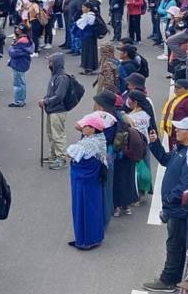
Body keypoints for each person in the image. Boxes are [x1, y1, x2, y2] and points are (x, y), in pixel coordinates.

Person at [142, 117, 188, 293]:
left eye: (180, 129)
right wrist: (155, 143)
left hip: (180, 210)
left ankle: (168, 281)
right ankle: (176, 278)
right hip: (177, 207)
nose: (176, 131)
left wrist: (169, 198)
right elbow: (166, 160)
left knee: (175, 246)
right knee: (177, 244)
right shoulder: (184, 150)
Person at [67, 113, 108, 250]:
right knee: (93, 208)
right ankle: (93, 237)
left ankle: (85, 240)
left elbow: (71, 152)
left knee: (83, 209)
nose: (82, 128)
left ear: (93, 128)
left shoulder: (90, 143)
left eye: (85, 126)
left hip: (84, 181)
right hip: (93, 181)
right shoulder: (98, 139)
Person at [40, 53, 73, 170]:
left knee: (58, 135)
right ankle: (54, 155)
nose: (49, 64)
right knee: (51, 134)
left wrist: (46, 101)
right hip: (52, 109)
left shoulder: (62, 78)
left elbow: (59, 96)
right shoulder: (55, 75)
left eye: (51, 62)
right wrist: (45, 100)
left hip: (58, 111)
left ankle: (61, 158)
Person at [6, 26, 33, 107]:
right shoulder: (26, 39)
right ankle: (20, 100)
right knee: (20, 81)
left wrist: (11, 48)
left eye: (19, 29)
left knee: (19, 83)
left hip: (19, 63)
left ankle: (19, 101)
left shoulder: (22, 40)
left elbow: (14, 53)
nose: (16, 30)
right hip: (22, 62)